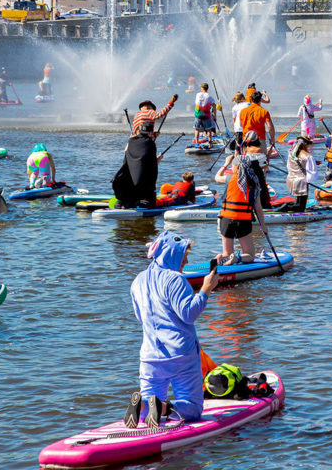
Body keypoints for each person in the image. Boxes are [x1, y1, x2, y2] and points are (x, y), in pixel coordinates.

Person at [126, 232, 219, 427]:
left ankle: (144, 405)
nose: (186, 260)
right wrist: (206, 289)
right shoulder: (175, 279)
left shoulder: (138, 281)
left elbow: (140, 317)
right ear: (172, 254)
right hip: (180, 356)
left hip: (150, 356)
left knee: (148, 414)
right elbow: (189, 314)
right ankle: (165, 408)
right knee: (193, 409)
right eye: (184, 254)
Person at [214, 139, 270, 263]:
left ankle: (222, 258)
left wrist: (225, 164)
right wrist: (263, 226)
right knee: (250, 255)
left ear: (235, 167)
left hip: (225, 219)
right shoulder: (254, 183)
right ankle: (237, 257)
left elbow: (216, 177)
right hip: (243, 220)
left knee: (227, 253)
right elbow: (258, 208)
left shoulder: (229, 178)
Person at [113, 121, 164, 207]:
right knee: (151, 203)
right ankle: (136, 202)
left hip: (121, 184)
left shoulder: (131, 141)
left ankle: (122, 202)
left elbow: (127, 152)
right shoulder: (150, 144)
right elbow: (152, 166)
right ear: (151, 133)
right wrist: (159, 158)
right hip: (140, 188)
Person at [283, 136, 315, 212]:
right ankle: (286, 207)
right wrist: (309, 180)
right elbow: (312, 172)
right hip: (301, 182)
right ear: (305, 145)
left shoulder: (291, 154)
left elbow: (289, 166)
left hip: (291, 180)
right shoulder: (307, 155)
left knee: (298, 202)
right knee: (301, 207)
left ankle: (288, 207)